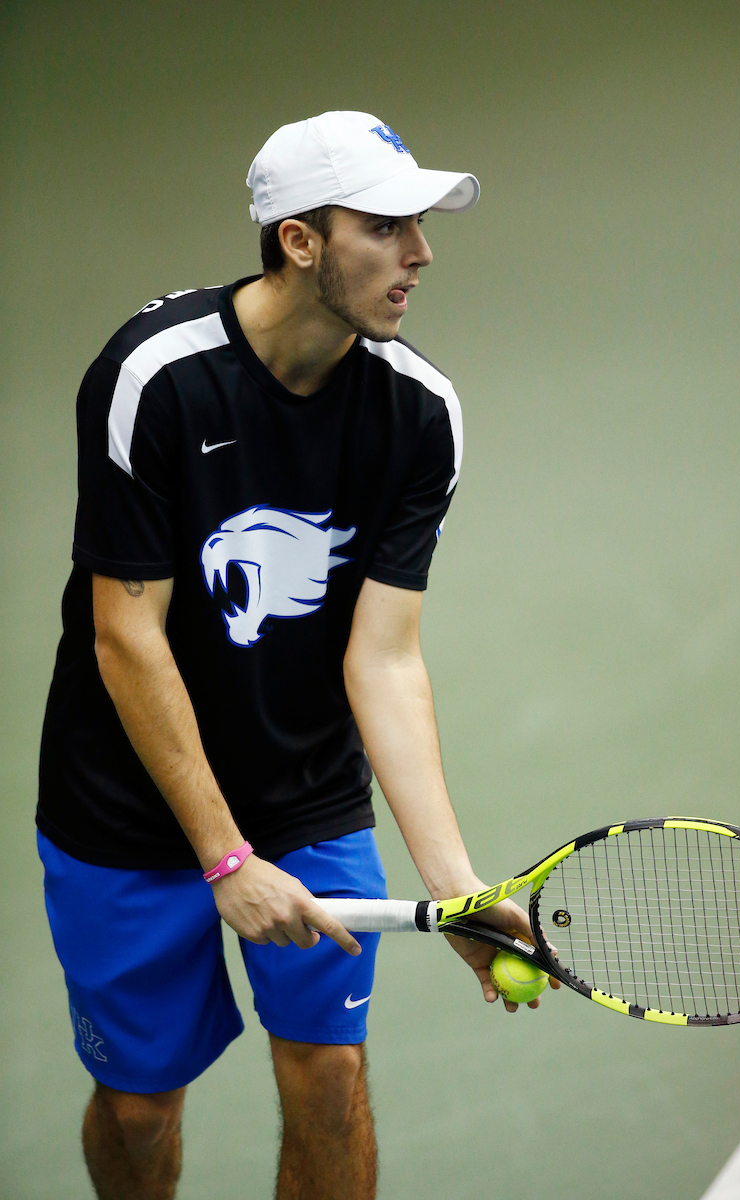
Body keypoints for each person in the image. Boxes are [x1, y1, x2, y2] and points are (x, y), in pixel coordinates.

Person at [37, 110, 554, 1200]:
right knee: (139, 1109)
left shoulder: (419, 414)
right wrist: (223, 858)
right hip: (123, 802)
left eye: (419, 225)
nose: (420, 254)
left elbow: (384, 659)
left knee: (327, 1077)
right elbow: (124, 633)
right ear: (299, 241)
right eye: (385, 226)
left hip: (305, 791)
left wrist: (453, 885)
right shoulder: (156, 378)